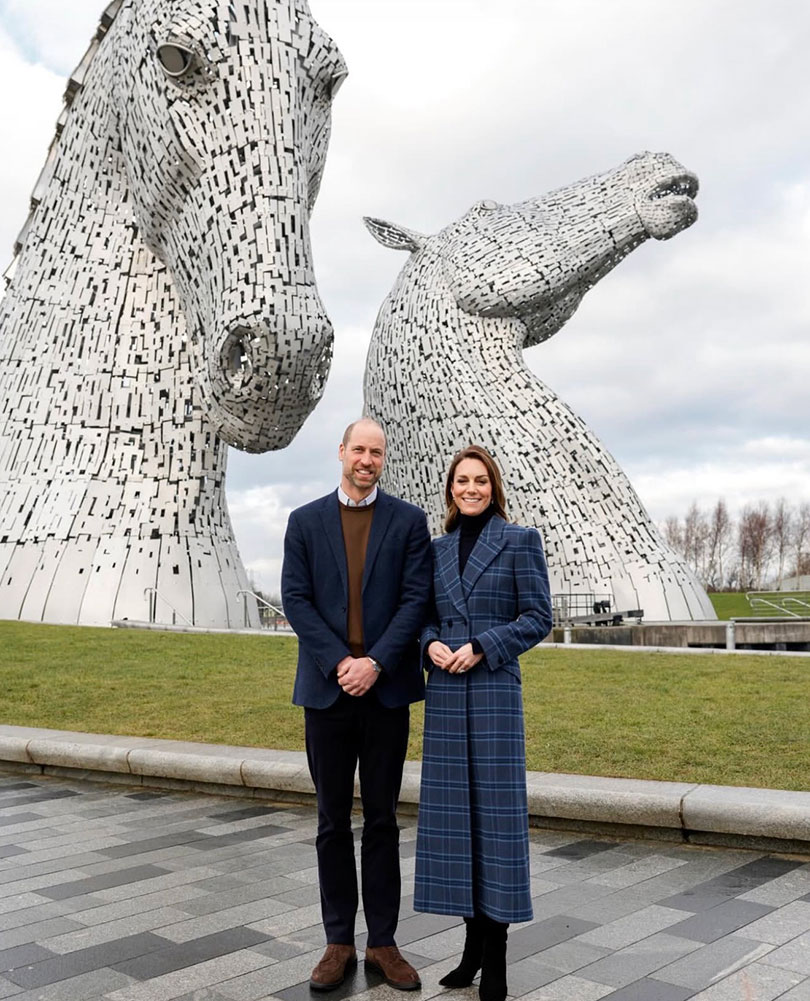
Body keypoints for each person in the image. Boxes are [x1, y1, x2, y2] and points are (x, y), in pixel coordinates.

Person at [281, 418, 432, 993]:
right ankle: (338, 941)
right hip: (326, 693)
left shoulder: (409, 522)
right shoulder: (304, 522)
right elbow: (295, 598)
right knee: (330, 821)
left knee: (383, 820)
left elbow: (417, 600)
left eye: (376, 452)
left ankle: (384, 944)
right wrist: (340, 662)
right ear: (340, 452)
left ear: (382, 460)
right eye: (358, 450)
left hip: (386, 691)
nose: (366, 459)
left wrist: (376, 663)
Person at [414, 444, 552, 1001]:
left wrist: (481, 645)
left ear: (494, 486)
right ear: (450, 489)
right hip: (447, 693)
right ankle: (470, 947)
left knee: (493, 821)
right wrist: (432, 648)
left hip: (493, 691)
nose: (471, 488)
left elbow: (539, 616)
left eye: (480, 480)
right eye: (462, 481)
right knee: (453, 822)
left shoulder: (521, 541)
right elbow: (421, 619)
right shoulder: (435, 549)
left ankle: (494, 957)